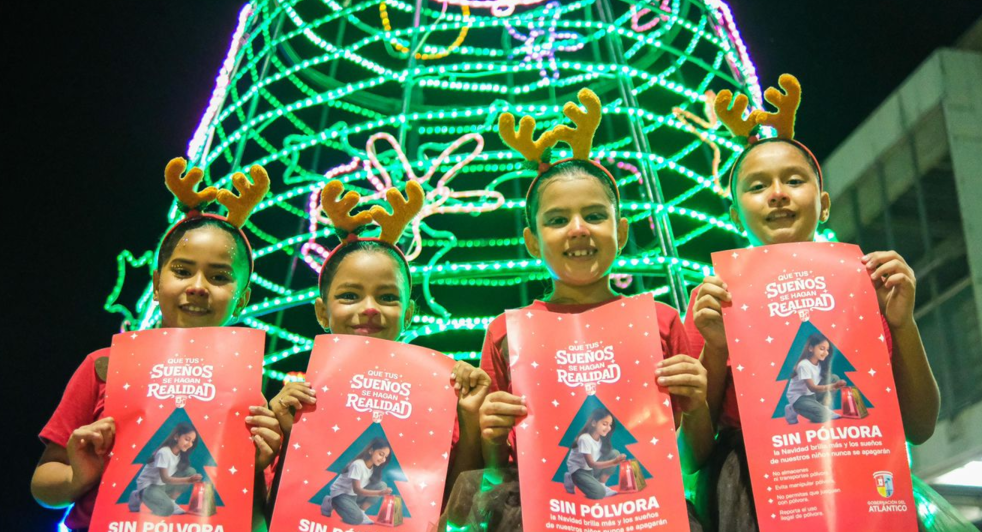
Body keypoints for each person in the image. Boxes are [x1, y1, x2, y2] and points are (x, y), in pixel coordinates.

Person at [443, 89, 709, 532]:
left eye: (595, 215)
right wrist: (489, 433)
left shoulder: (659, 321)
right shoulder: (507, 333)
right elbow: (495, 472)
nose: (578, 229)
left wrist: (697, 404)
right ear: (532, 242)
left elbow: (692, 459)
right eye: (556, 220)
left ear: (621, 231)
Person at [684, 75, 940, 530]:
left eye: (794, 180)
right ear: (735, 213)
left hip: (863, 485)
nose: (777, 193)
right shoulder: (713, 301)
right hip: (754, 499)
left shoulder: (869, 287)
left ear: (823, 204)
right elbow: (693, 455)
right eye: (757, 186)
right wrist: (716, 348)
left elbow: (920, 426)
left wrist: (903, 324)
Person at [31, 158, 283, 532]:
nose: (198, 286)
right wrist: (78, 475)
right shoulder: (105, 366)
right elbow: (44, 484)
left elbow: (255, 522)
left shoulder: (249, 394)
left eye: (219, 277)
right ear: (155, 282)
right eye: (182, 271)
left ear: (242, 300)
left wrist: (254, 469)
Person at [269, 176, 491, 505]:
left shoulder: (439, 397)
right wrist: (287, 432)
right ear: (321, 312)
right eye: (350, 295)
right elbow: (276, 504)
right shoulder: (300, 399)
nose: (370, 308)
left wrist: (469, 418)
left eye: (387, 297)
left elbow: (458, 504)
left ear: (409, 313)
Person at [129, 423, 204, 515]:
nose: (190, 444)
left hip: (161, 486)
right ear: (176, 437)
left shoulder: (180, 454)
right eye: (187, 439)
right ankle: (139, 495)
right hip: (148, 486)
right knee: (167, 510)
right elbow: (165, 478)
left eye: (192, 441)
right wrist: (188, 480)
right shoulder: (164, 452)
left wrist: (191, 478)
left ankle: (171, 501)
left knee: (190, 471)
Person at [319, 438, 396, 525]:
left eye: (385, 457)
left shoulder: (373, 467)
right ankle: (331, 502)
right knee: (356, 519)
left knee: (381, 485)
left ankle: (361, 511)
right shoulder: (358, 465)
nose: (383, 459)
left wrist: (380, 491)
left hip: (353, 495)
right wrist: (379, 493)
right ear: (371, 451)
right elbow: (357, 490)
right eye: (381, 454)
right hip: (341, 494)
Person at [564, 409, 626, 500]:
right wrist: (614, 462)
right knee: (599, 493)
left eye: (610, 425)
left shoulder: (601, 439)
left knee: (615, 453)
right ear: (594, 423)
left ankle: (602, 484)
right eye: (604, 424)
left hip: (590, 470)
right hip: (579, 470)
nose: (608, 428)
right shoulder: (585, 438)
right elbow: (591, 464)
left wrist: (615, 460)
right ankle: (572, 478)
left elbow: (595, 462)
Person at [783, 335, 845, 424]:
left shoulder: (820, 363)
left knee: (834, 378)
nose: (826, 353)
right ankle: (793, 409)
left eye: (827, 350)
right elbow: (812, 388)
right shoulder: (804, 365)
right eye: (822, 349)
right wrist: (833, 386)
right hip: (799, 397)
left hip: (811, 395)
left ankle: (823, 407)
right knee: (823, 416)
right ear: (811, 348)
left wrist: (834, 384)